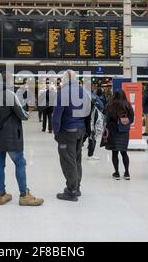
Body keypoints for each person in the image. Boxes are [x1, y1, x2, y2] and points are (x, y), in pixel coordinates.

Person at [0, 72, 44, 206]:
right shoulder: (9, 94)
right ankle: (24, 195)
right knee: (20, 162)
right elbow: (22, 115)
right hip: (11, 135)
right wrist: (28, 113)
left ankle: (2, 195)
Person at [53, 70, 91, 202]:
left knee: (68, 161)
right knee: (76, 160)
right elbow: (88, 111)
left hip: (67, 131)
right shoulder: (84, 91)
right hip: (80, 130)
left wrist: (56, 132)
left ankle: (71, 190)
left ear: (64, 79)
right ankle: (77, 187)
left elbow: (57, 116)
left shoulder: (62, 93)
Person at [103, 89, 134, 181]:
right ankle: (127, 173)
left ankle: (116, 173)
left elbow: (106, 118)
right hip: (124, 131)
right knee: (124, 152)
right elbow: (131, 119)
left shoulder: (110, 105)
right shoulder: (127, 105)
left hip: (113, 131)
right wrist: (124, 121)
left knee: (114, 152)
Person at [87, 87, 106, 161]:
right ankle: (90, 154)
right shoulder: (94, 97)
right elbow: (101, 106)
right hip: (93, 119)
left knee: (84, 137)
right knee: (92, 136)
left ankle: (77, 152)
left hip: (82, 121)